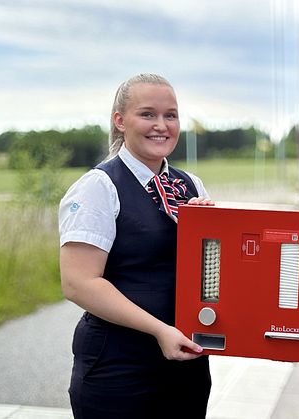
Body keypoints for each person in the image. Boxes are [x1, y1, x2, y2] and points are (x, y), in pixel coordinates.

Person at [58, 73, 214, 419]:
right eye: (147, 114)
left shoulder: (191, 185)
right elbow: (78, 283)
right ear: (120, 121)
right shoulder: (98, 187)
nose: (161, 125)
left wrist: (212, 234)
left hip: (186, 363)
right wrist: (159, 330)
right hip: (117, 366)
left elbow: (210, 274)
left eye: (170, 115)